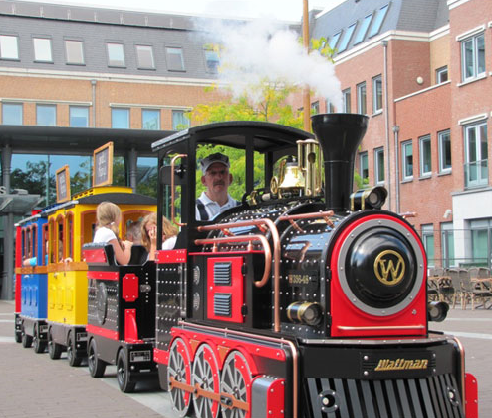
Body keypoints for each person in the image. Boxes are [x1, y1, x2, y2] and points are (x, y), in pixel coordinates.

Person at [195, 152, 239, 220]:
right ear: (203, 180)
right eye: (213, 173)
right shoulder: (194, 211)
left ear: (230, 178)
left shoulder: (240, 208)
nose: (219, 177)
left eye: (222, 172)